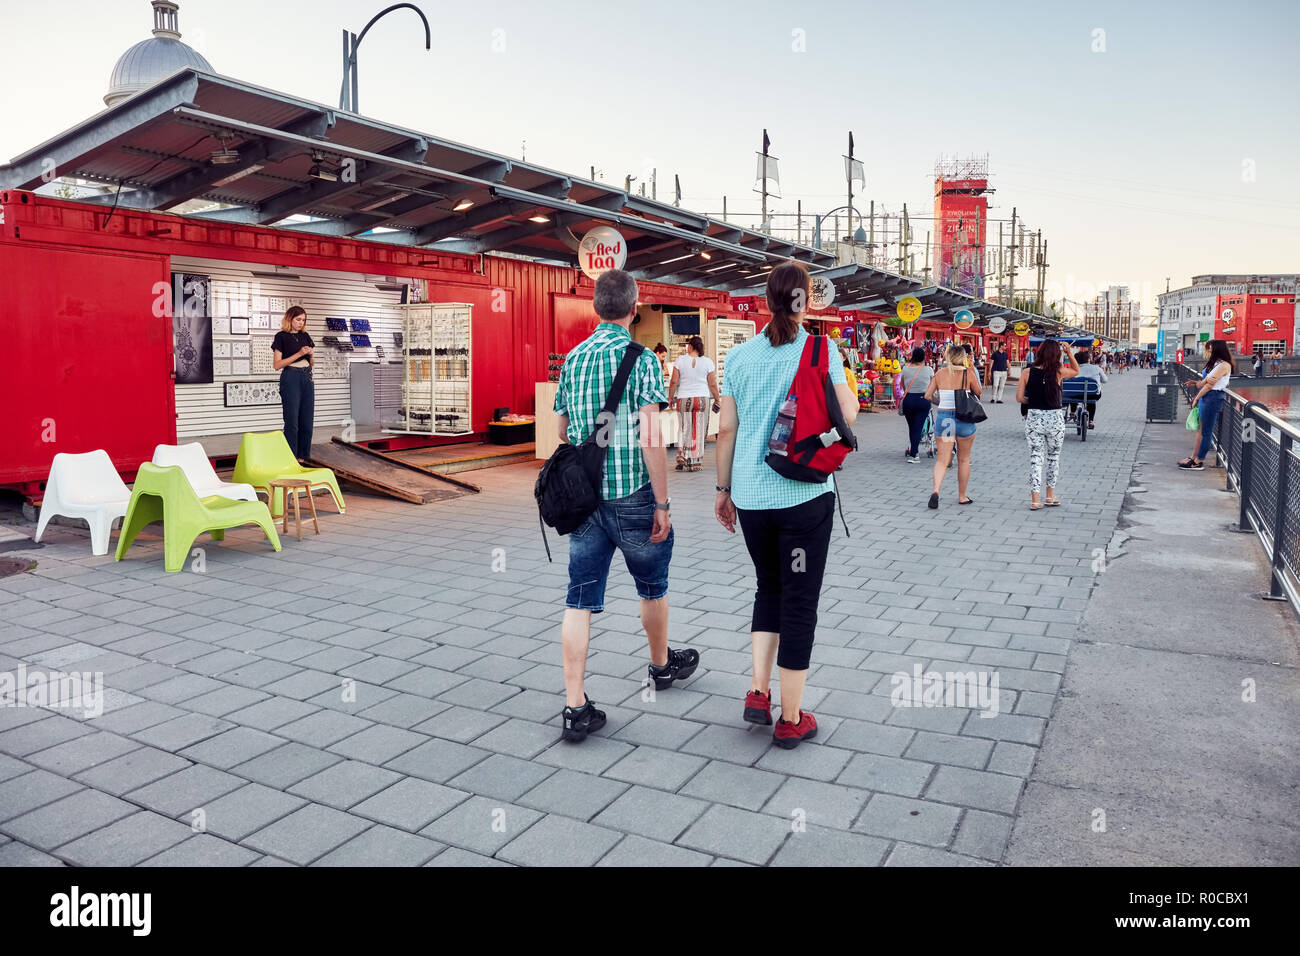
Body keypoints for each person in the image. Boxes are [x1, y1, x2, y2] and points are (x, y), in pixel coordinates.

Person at [713, 261, 857, 749]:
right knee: (800, 602)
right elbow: (849, 413)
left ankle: (758, 690)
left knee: (767, 589)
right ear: (806, 301)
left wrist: (723, 490)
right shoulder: (821, 348)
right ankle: (792, 717)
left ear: (763, 301)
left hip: (752, 498)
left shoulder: (738, 357)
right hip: (804, 497)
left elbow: (727, 429)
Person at [552, 269, 698, 742]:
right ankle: (660, 666)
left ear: (596, 307)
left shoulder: (573, 358)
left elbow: (560, 430)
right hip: (633, 494)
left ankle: (575, 705)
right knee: (652, 586)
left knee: (580, 598)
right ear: (634, 309)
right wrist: (662, 502)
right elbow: (653, 436)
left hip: (585, 501)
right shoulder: (642, 360)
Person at [1016, 340, 1080, 510]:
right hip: (1055, 419)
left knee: (1036, 458)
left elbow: (1019, 398)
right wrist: (1069, 352)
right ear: (1056, 354)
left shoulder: (1026, 372)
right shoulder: (1058, 371)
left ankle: (1035, 500)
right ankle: (1050, 496)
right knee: (1053, 458)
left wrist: (1033, 401)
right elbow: (1076, 371)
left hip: (1034, 418)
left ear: (1040, 352)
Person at [924, 343, 982, 508]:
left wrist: (941, 402)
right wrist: (970, 370)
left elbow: (928, 395)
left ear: (948, 357)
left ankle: (935, 491)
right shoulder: (968, 373)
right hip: (964, 418)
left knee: (942, 460)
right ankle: (962, 496)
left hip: (945, 418)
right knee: (964, 459)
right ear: (963, 358)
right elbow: (978, 392)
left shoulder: (940, 373)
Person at [1180, 339, 1234, 470]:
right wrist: (1197, 383)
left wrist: (1197, 397)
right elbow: (1207, 380)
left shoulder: (1224, 365)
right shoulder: (1217, 363)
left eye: (1210, 347)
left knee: (1206, 432)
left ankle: (1199, 461)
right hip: (1208, 398)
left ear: (1217, 349)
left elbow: (1210, 384)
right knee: (1201, 430)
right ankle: (1194, 457)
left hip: (1212, 398)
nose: (1208, 349)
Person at [668, 335, 719, 472]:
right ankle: (694, 462)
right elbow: (712, 384)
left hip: (684, 398)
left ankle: (682, 456)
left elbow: (673, 381)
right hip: (702, 399)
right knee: (698, 429)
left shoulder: (680, 360)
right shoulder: (708, 362)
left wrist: (670, 397)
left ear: (690, 347)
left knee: (684, 428)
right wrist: (717, 399)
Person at [271, 306, 315, 460]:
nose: (301, 323)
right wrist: (299, 353)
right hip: (291, 377)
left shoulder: (305, 336)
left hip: (307, 377)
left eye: (303, 320)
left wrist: (310, 355)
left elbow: (312, 363)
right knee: (292, 423)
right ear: (290, 319)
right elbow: (277, 365)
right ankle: (291, 458)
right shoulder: (281, 337)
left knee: (307, 421)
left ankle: (304, 458)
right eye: (298, 319)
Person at [898, 346, 933, 462]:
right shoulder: (929, 370)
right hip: (923, 400)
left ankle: (914, 451)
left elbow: (902, 384)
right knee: (917, 427)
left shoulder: (905, 369)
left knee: (912, 427)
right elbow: (933, 386)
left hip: (909, 400)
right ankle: (914, 454)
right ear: (923, 357)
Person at [1070, 349, 1108, 428]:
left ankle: (1073, 412)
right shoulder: (1097, 368)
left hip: (1076, 395)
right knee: (1091, 401)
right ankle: (1091, 420)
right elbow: (1105, 380)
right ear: (1088, 359)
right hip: (1093, 394)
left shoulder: (1072, 369)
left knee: (1073, 391)